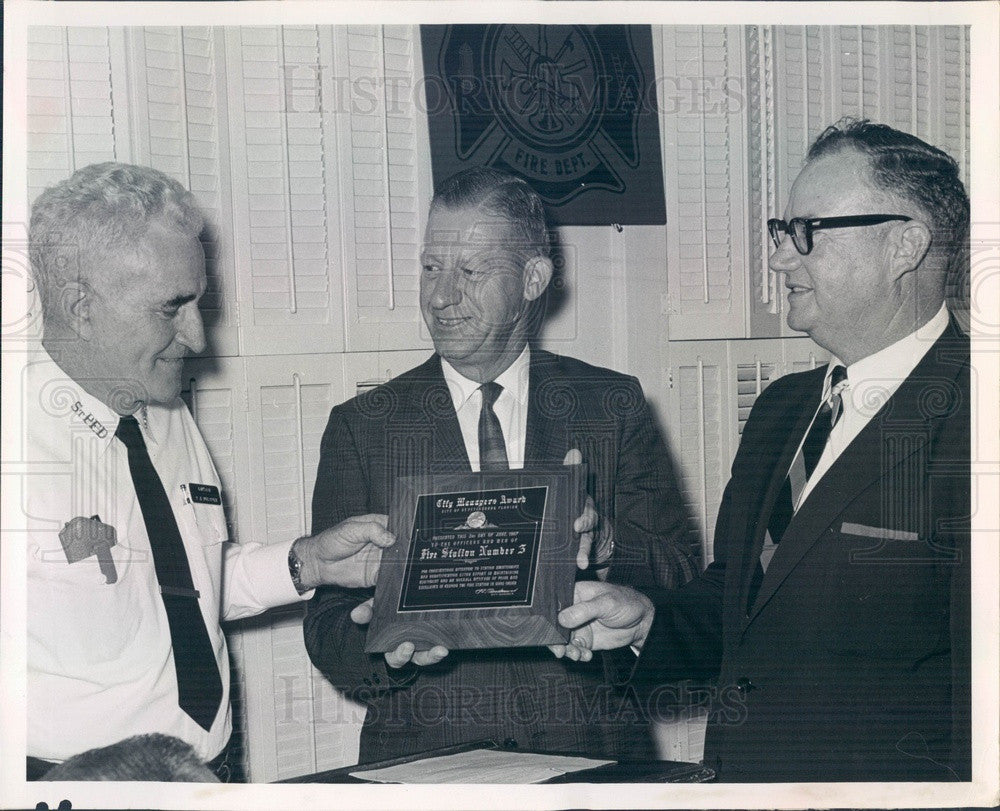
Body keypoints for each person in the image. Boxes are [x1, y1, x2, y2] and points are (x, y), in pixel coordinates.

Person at [555, 120, 971, 782]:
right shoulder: (782, 409)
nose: (780, 258)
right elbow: (744, 597)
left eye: (806, 233)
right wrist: (646, 619)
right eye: (782, 232)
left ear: (905, 245)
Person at [303, 166, 696, 762]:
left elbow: (682, 575)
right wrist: (382, 647)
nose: (440, 297)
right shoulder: (365, 426)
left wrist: (610, 540)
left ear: (533, 278)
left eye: (470, 270)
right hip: (425, 764)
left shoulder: (612, 406)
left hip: (590, 758)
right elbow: (327, 622)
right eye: (431, 268)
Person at [25, 162, 395, 781]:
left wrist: (307, 563)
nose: (196, 338)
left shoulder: (162, 409)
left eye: (199, 302)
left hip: (208, 768)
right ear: (79, 307)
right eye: (171, 308)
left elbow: (179, 584)